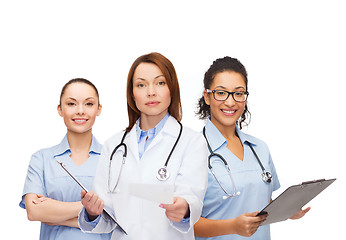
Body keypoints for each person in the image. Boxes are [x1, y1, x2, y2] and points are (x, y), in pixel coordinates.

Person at [78, 52, 208, 240]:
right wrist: (92, 212)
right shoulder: (113, 146)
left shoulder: (192, 142)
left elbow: (192, 199)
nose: (151, 92)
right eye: (141, 85)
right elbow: (108, 218)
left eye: (160, 83)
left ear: (172, 88)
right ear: (132, 94)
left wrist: (184, 209)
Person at [194, 57, 310, 240]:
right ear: (207, 97)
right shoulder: (191, 150)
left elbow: (260, 202)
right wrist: (232, 226)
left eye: (238, 93)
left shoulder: (260, 148)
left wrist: (288, 210)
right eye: (221, 93)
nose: (231, 102)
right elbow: (184, 223)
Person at [19, 78, 111, 240]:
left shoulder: (113, 159)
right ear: (60, 110)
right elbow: (34, 212)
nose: (80, 111)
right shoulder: (41, 159)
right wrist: (91, 208)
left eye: (89, 104)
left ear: (99, 109)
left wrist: (53, 214)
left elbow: (118, 215)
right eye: (71, 104)